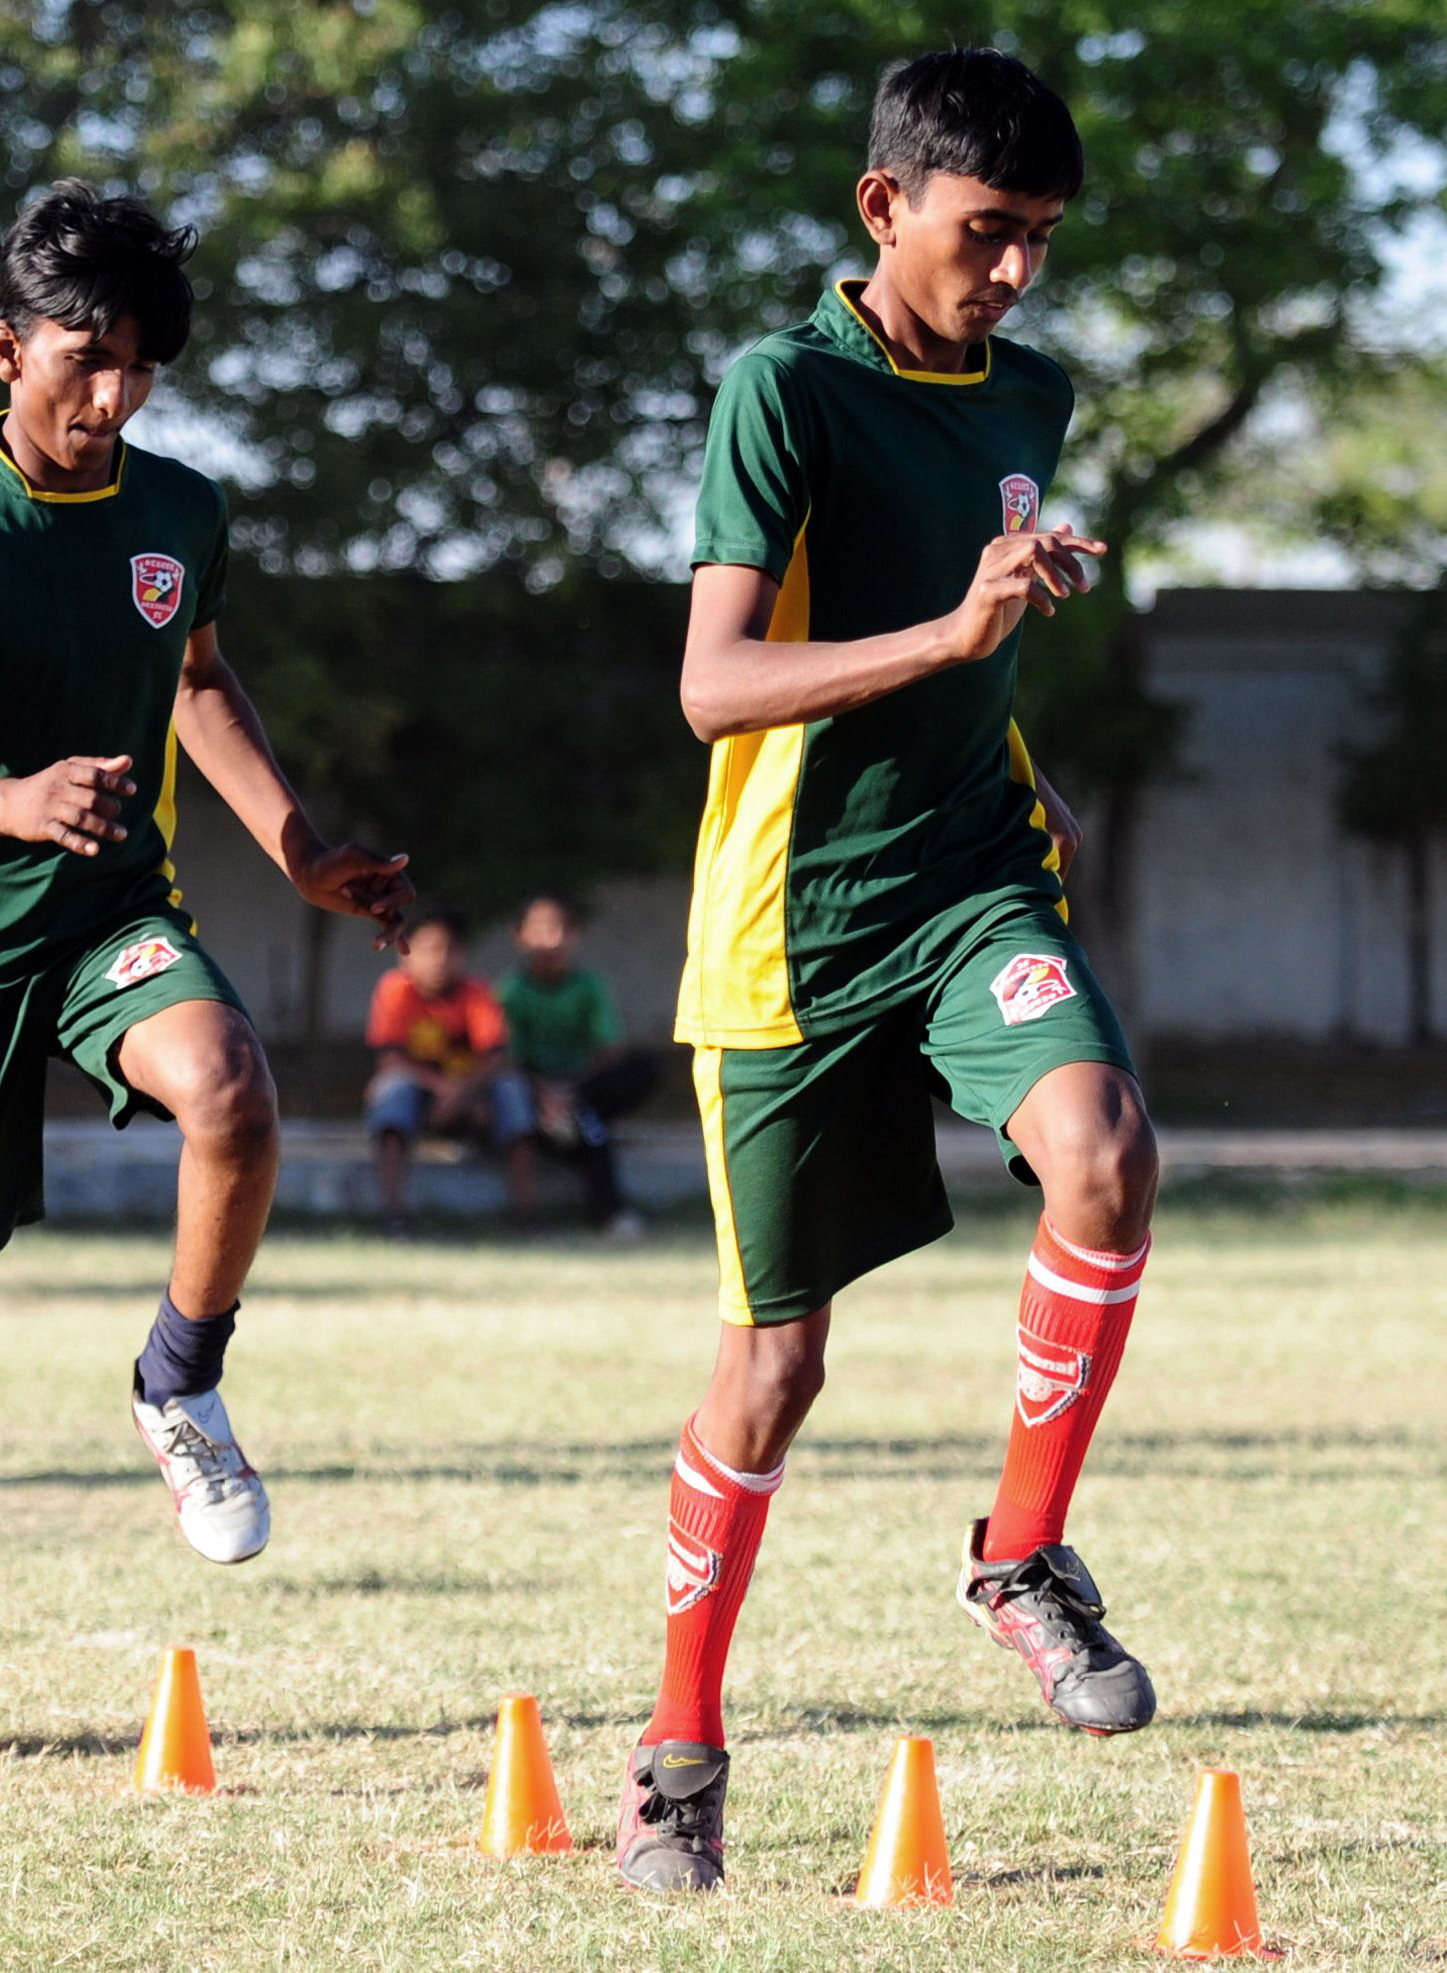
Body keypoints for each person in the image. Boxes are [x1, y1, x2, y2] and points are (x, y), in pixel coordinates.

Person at [0, 181, 411, 1766]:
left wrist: (302, 848)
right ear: (8, 348)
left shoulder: (178, 513)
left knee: (234, 1090)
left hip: (110, 915)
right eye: (85, 361)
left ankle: (180, 1380)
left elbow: (197, 680)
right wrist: (8, 800)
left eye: (141, 372)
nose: (112, 398)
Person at [617, 50, 1158, 1895]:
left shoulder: (1035, 395)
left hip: (973, 885)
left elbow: (974, 619)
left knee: (1104, 1149)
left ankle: (1021, 1555)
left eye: (1042, 245)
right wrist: (949, 631)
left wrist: (1012, 686)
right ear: (885, 209)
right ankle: (680, 1748)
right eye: (986, 235)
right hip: (788, 934)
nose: (1015, 277)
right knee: (773, 1368)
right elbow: (712, 688)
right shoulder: (783, 394)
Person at [364, 904, 535, 1236]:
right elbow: (390, 1059)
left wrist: (462, 1093)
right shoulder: (395, 990)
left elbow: (497, 1057)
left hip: (472, 1097)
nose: (440, 959)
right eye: (430, 949)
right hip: (424, 1095)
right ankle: (394, 1215)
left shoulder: (477, 992)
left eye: (450, 949)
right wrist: (445, 1089)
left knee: (512, 1091)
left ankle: (526, 1215)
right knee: (392, 1092)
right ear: (405, 955)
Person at [498, 891, 660, 1235]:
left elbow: (608, 1052)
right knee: (586, 1124)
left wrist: (571, 1092)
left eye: (561, 929)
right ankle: (610, 1213)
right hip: (533, 1091)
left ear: (575, 936)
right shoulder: (510, 992)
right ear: (520, 937)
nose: (552, 939)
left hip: (583, 1086)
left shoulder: (590, 986)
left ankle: (572, 1115)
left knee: (645, 1067)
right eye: (541, 929)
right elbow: (505, 1060)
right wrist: (545, 1095)